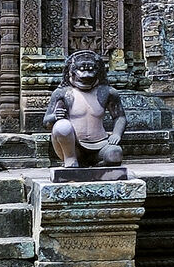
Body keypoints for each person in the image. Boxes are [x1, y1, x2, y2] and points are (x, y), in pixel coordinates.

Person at [45, 47, 127, 178]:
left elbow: (120, 117)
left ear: (99, 71)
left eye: (91, 70)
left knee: (115, 154)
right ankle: (70, 160)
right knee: (62, 126)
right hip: (73, 146)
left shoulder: (107, 92)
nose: (87, 75)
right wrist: (55, 117)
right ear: (71, 71)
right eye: (81, 70)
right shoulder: (63, 93)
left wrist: (116, 134)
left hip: (100, 144)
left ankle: (95, 167)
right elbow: (47, 122)